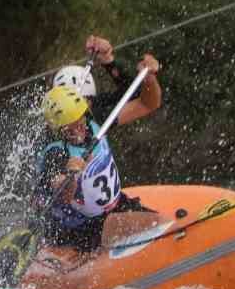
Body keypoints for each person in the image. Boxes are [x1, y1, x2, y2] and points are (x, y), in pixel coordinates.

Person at [31, 84, 157, 254]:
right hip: (78, 226)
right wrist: (70, 175)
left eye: (80, 123)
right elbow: (63, 195)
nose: (78, 131)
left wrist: (150, 77)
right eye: (69, 129)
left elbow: (147, 104)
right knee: (126, 224)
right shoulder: (55, 152)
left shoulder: (95, 122)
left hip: (113, 205)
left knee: (155, 222)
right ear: (58, 131)